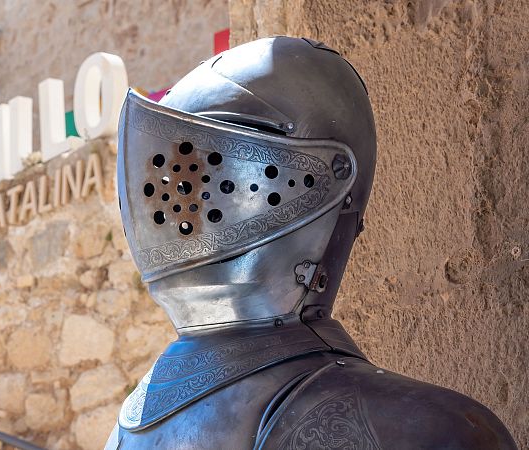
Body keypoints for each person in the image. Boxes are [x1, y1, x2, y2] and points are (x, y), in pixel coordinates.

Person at [106, 36, 516, 449]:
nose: (182, 193)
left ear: (334, 174)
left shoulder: (128, 433)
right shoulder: (433, 428)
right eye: (177, 169)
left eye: (203, 165)